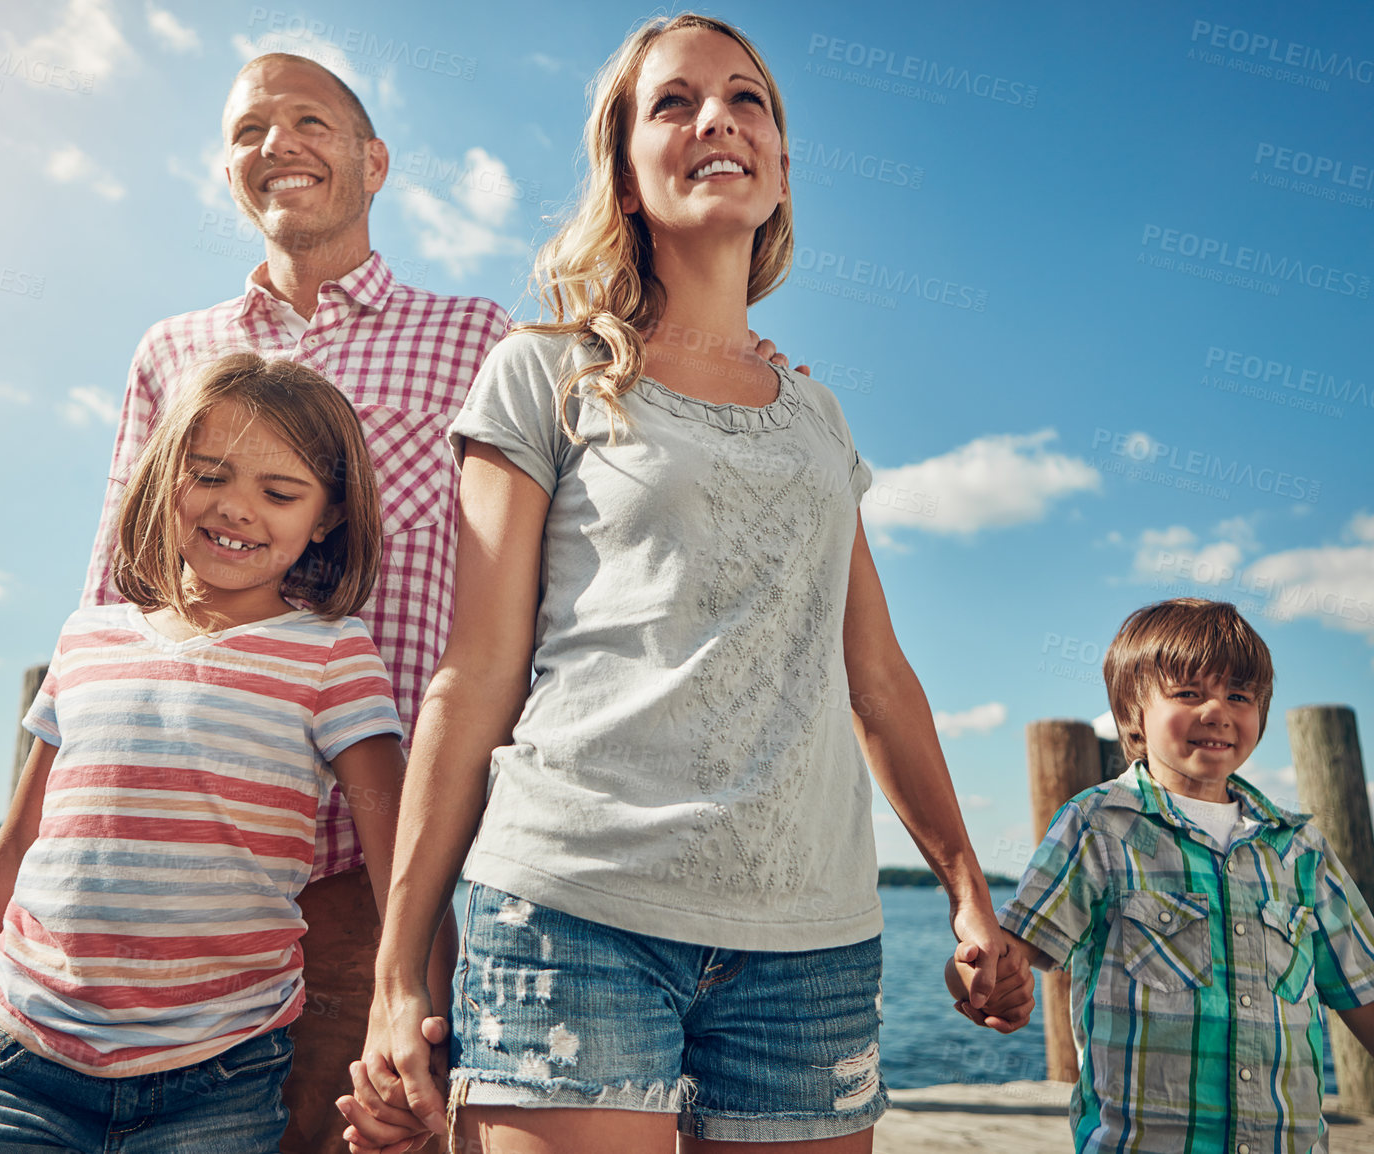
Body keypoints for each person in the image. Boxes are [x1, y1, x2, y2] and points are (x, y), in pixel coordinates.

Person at [342, 15, 1032, 1154]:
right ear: (622, 166)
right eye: (673, 103)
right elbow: (473, 674)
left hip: (812, 939)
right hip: (576, 908)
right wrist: (397, 970)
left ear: (781, 165)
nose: (716, 119)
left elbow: (878, 676)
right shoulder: (542, 371)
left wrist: (967, 889)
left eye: (746, 100)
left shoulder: (819, 414)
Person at [78, 52, 508, 1153]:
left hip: (388, 859)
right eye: (249, 129)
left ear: (374, 161)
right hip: (193, 860)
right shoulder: (170, 352)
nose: (278, 143)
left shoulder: (482, 340)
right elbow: (117, 586)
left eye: (310, 120)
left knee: (374, 1132)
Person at [0, 354, 407, 1154]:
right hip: (18, 1064)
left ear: (326, 518)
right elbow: (12, 852)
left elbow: (401, 863)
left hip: (220, 1079)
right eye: (209, 474)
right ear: (166, 476)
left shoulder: (331, 654)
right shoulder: (88, 638)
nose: (238, 508)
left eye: (279, 492)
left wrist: (415, 1016)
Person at [959, 598, 1374, 1154]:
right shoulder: (1099, 827)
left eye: (1239, 696)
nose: (1217, 710)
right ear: (1132, 715)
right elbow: (1004, 961)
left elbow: (1372, 1004)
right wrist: (976, 982)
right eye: (1189, 693)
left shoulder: (1297, 847)